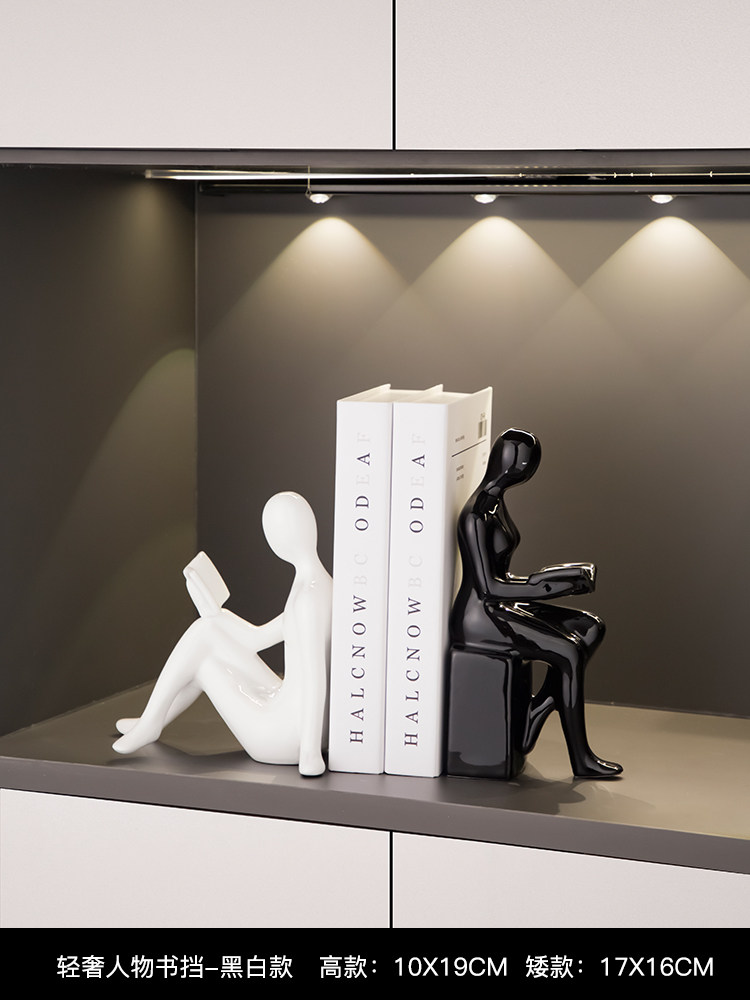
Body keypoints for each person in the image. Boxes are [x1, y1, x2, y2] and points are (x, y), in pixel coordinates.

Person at [113, 492, 332, 777]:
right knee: (208, 629)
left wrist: (310, 754)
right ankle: (151, 720)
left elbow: (316, 678)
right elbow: (257, 639)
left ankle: (150, 722)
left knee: (203, 660)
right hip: (292, 713)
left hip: (284, 736)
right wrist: (220, 617)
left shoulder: (307, 600)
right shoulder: (319, 585)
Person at [449, 428, 622, 778]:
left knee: (589, 627)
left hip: (500, 605)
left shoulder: (498, 503)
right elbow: (489, 588)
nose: (524, 470)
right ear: (502, 460)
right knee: (568, 652)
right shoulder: (476, 515)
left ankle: (539, 708)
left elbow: (507, 579)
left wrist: (562, 576)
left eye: (529, 465)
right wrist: (548, 587)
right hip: (479, 615)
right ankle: (581, 759)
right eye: (520, 463)